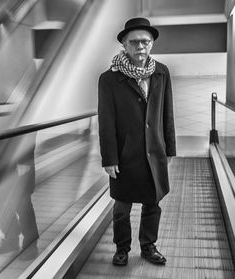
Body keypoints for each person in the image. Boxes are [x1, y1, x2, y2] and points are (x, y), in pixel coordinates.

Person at [98, 17, 176, 266]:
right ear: (125, 45)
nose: (140, 46)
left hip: (155, 153)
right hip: (124, 154)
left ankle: (148, 246)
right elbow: (106, 122)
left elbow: (167, 113)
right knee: (122, 207)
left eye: (145, 41)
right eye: (134, 42)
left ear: (151, 43)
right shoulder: (109, 79)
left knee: (153, 204)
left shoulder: (161, 72)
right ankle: (122, 248)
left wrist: (170, 149)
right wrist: (109, 159)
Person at [0, 133, 39, 260]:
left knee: (22, 203)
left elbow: (29, 122)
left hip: (15, 154)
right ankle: (10, 240)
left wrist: (24, 158)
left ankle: (30, 245)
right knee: (0, 201)